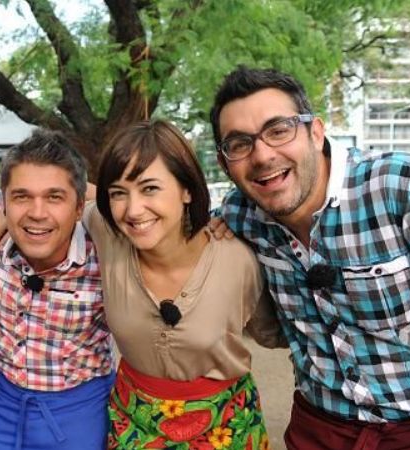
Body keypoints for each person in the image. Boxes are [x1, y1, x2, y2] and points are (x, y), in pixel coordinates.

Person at [210, 66, 410, 449]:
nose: (262, 155)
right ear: (224, 163)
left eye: (279, 130)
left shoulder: (399, 186)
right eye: (239, 144)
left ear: (315, 132)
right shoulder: (238, 215)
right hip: (319, 426)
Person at [85, 119, 282, 449]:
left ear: (187, 189)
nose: (133, 210)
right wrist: (8, 209)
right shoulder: (108, 235)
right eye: (119, 193)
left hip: (228, 427)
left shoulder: (239, 260)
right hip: (134, 426)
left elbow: (274, 333)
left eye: (150, 188)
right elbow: (67, 189)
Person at [0, 129, 114, 449]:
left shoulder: (108, 250)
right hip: (4, 409)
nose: (37, 213)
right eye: (21, 196)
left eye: (54, 197)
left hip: (79, 413)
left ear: (79, 208)